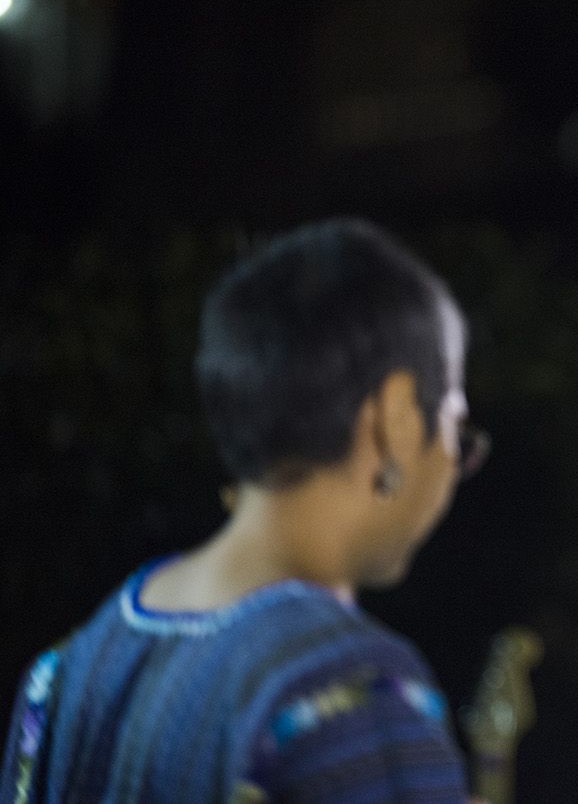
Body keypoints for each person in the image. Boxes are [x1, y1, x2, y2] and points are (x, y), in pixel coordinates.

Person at [2, 218, 483, 802]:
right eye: (458, 428)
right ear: (398, 415)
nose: (454, 464)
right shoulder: (356, 691)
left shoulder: (62, 677)